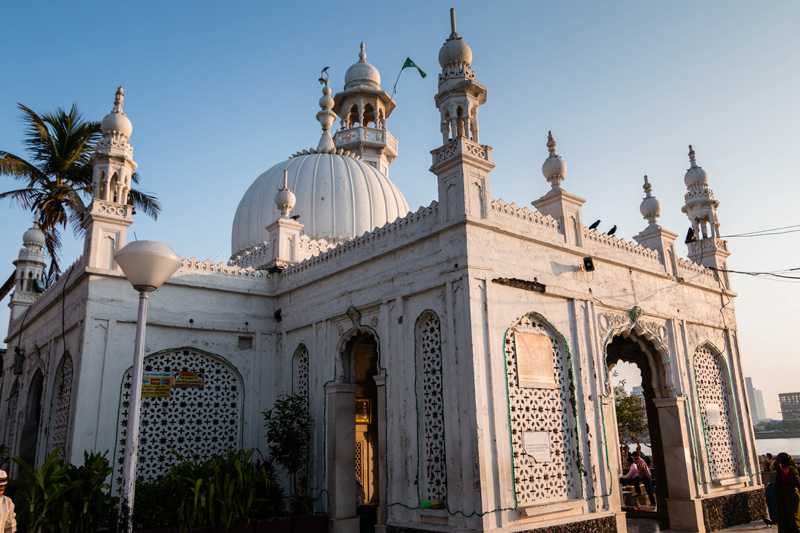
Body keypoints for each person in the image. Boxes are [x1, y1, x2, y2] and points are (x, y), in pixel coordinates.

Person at [774, 452, 800, 533]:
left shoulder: (791, 468)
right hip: (784, 495)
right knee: (785, 516)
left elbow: (783, 471)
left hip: (791, 495)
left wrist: (778, 464)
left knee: (793, 517)